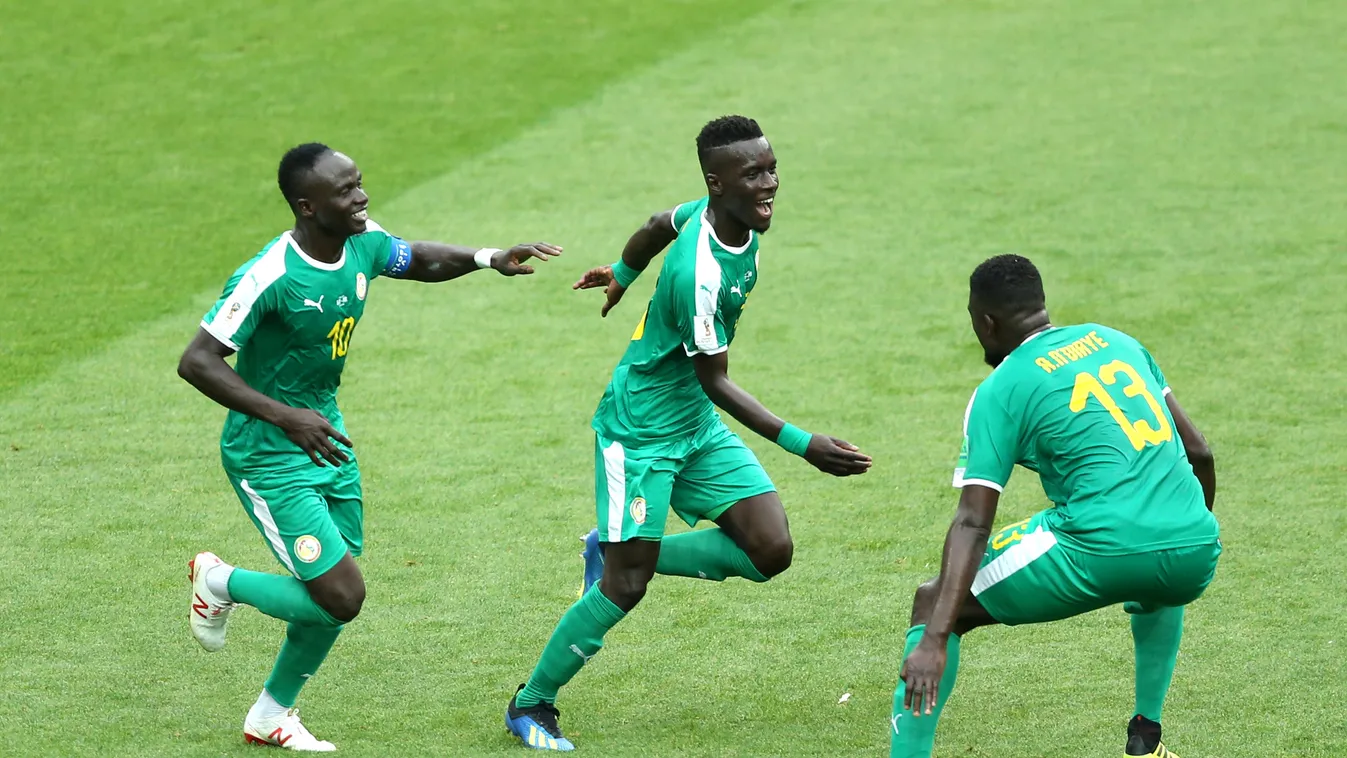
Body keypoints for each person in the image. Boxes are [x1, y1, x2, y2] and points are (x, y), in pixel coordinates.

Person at [503, 115, 872, 752]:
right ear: (717, 182)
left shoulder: (720, 214)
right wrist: (802, 443)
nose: (770, 184)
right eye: (753, 174)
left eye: (771, 167)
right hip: (641, 431)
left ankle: (611, 546)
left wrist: (621, 272)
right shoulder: (699, 275)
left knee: (769, 550)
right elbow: (716, 381)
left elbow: (654, 224)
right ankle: (531, 703)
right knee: (626, 587)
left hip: (691, 423)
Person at [178, 142, 561, 751]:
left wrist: (489, 257)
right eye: (346, 191)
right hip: (268, 451)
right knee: (341, 595)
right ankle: (220, 582)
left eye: (359, 184)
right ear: (308, 206)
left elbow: (419, 260)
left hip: (326, 437)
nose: (361, 198)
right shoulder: (270, 275)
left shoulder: (361, 241)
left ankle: (270, 715)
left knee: (333, 586)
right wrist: (286, 417)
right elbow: (197, 362)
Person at [890, 254, 1220, 758]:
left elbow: (973, 521)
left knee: (935, 602)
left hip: (1099, 546)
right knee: (1158, 579)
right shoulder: (1118, 342)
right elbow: (1199, 453)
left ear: (986, 321)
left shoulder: (1002, 387)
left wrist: (933, 641)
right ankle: (1146, 739)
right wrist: (1190, 527)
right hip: (1196, 546)